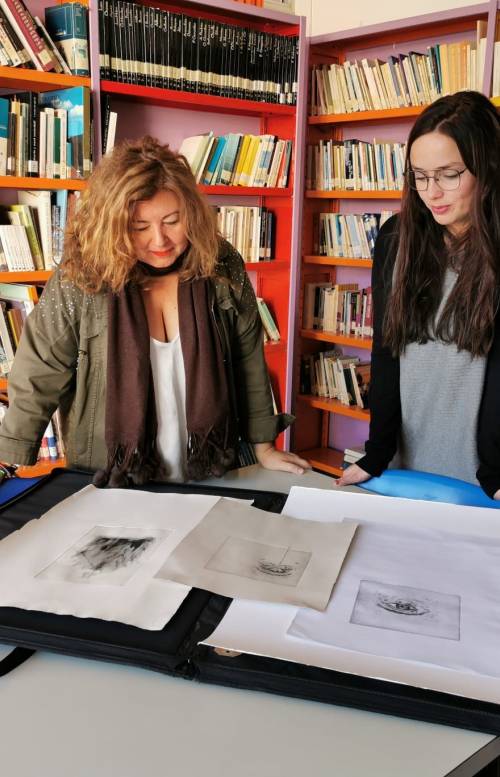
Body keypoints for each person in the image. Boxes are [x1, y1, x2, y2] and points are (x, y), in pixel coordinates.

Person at [0, 136, 310, 487]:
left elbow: (247, 361)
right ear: (113, 226)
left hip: (211, 468)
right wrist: (13, 456)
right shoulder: (82, 277)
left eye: (172, 221)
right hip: (110, 473)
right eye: (140, 227)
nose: (160, 241)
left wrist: (265, 447)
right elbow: (39, 369)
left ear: (191, 212)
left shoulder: (221, 263)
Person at [336, 90, 500, 500]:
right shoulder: (396, 238)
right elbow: (387, 349)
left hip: (485, 473)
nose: (432, 192)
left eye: (449, 174)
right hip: (405, 461)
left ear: (488, 167)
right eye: (420, 175)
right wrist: (376, 453)